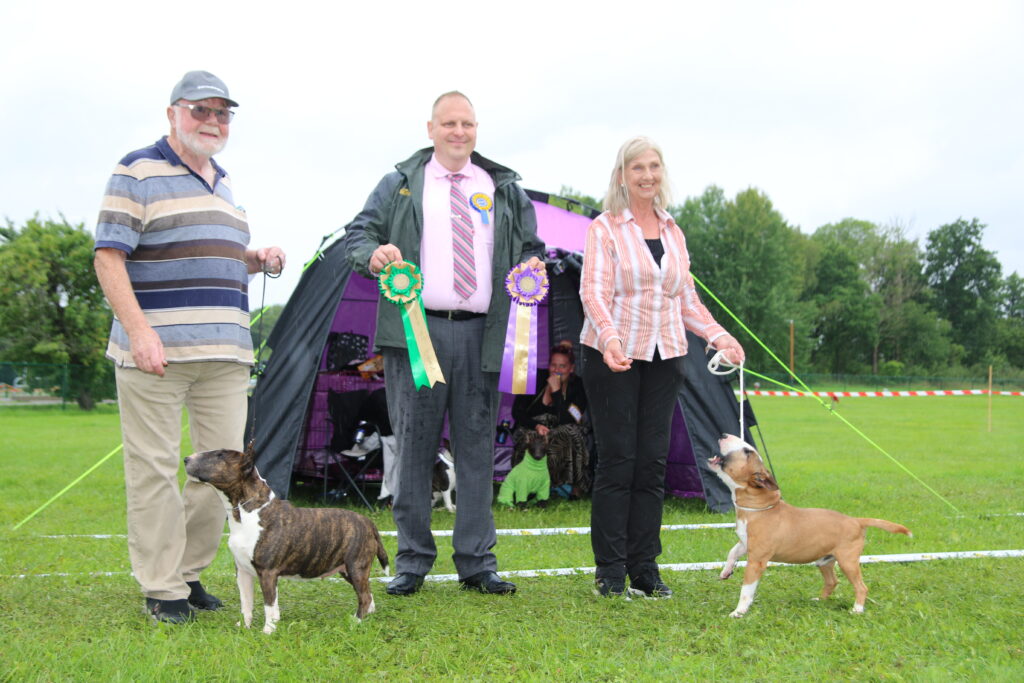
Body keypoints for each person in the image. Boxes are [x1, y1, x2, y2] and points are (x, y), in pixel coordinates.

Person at [93, 71, 286, 624]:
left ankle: (190, 573)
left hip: (225, 355)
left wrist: (254, 257)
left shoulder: (223, 184)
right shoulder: (136, 170)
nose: (213, 121)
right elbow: (109, 258)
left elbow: (206, 255)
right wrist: (140, 330)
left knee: (222, 474)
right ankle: (162, 587)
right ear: (173, 112)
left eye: (223, 113)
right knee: (153, 469)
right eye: (201, 110)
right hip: (156, 356)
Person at [345, 91, 544, 596]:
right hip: (416, 331)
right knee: (414, 448)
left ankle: (477, 563)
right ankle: (412, 560)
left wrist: (536, 265)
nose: (459, 132)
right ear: (430, 128)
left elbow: (531, 247)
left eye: (468, 124)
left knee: (478, 448)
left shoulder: (502, 188)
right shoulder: (400, 184)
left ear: (477, 129)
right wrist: (374, 255)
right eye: (449, 123)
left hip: (483, 334)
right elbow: (358, 235)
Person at [579, 136, 745, 599]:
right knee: (618, 461)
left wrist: (720, 336)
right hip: (611, 356)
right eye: (637, 168)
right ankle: (610, 571)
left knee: (651, 464)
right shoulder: (604, 228)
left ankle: (644, 567)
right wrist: (611, 340)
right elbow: (593, 293)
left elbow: (686, 299)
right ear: (622, 176)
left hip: (666, 356)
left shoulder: (673, 230)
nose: (647, 175)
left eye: (654, 166)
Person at [510, 343, 591, 497]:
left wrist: (556, 392)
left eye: (562, 366)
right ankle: (527, 487)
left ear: (571, 368)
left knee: (570, 433)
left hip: (561, 430)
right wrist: (536, 426)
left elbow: (569, 419)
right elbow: (517, 412)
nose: (557, 370)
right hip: (533, 428)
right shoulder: (535, 378)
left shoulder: (578, 386)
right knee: (532, 438)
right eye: (553, 365)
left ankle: (572, 487)